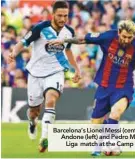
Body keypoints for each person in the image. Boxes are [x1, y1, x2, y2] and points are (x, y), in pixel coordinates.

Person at [48, 20, 135, 156]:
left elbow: (134, 64)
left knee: (115, 113)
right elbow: (83, 39)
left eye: (130, 37)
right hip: (104, 86)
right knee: (95, 124)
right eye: (124, 36)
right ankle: (102, 142)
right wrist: (63, 40)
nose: (126, 40)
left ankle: (113, 144)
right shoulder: (107, 37)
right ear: (118, 33)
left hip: (124, 86)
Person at [7, 1, 81, 153]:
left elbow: (68, 51)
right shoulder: (40, 28)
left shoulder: (69, 31)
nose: (63, 19)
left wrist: (77, 69)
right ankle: (32, 122)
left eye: (65, 16)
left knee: (51, 99)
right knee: (34, 111)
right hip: (35, 73)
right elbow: (23, 42)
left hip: (55, 71)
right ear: (53, 14)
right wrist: (14, 52)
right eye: (59, 15)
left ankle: (45, 138)